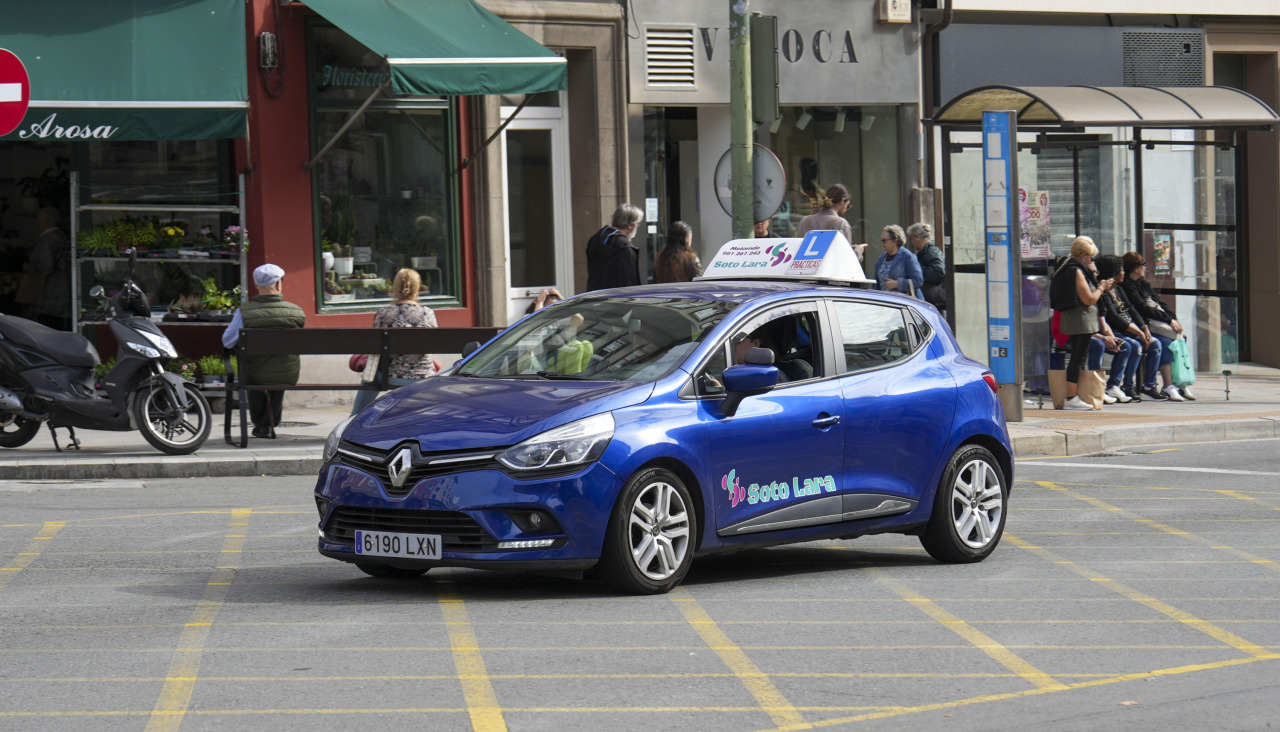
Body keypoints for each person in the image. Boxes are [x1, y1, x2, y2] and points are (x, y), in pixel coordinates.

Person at [221, 264, 306, 438]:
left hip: (254, 373)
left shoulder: (244, 312)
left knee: (257, 374)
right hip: (287, 374)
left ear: (256, 285)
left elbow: (227, 341)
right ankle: (269, 424)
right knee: (278, 371)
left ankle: (261, 425)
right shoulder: (295, 312)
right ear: (279, 284)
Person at [351, 269, 438, 415]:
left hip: (389, 375)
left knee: (369, 378)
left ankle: (354, 416)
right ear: (417, 288)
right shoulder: (427, 313)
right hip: (423, 375)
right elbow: (433, 344)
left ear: (395, 288)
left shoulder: (383, 313)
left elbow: (376, 348)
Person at [1052, 236, 1114, 411]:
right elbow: (1088, 299)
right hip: (1081, 320)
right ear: (1083, 255)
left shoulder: (1068, 267)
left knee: (1079, 357)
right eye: (1091, 257)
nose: (1092, 260)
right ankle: (1072, 397)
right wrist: (1101, 287)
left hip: (1079, 319)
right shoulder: (1076, 271)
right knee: (1078, 358)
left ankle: (1074, 396)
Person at [1120, 252, 1191, 401]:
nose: (1145, 268)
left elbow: (1159, 302)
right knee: (1164, 343)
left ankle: (1179, 381)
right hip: (1144, 324)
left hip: (1155, 323)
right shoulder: (1127, 286)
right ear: (1135, 268)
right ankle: (1166, 385)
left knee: (1179, 339)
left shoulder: (1142, 283)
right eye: (1143, 265)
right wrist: (1168, 320)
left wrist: (1173, 319)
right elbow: (1142, 308)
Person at [1096, 254, 1159, 402]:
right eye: (1121, 270)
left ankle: (1148, 385)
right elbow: (1113, 318)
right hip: (1117, 330)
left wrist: (1144, 328)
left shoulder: (1118, 289)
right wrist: (1138, 332)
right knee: (1131, 346)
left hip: (1130, 329)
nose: (1123, 273)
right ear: (1113, 272)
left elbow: (1131, 309)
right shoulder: (1103, 293)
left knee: (1155, 344)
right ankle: (1117, 385)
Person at [797, 184, 868, 262]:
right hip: (829, 273)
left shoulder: (804, 221)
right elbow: (847, 261)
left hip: (805, 273)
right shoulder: (841, 224)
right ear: (843, 201)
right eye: (848, 206)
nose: (846, 210)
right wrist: (858, 251)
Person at [29, 207, 72, 330]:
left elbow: (45, 267)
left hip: (50, 295)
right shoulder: (60, 236)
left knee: (49, 325)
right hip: (62, 292)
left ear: (43, 222)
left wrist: (30, 267)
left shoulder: (46, 240)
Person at [586, 204, 643, 291]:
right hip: (616, 300)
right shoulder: (625, 248)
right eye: (637, 225)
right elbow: (629, 282)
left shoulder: (595, 240)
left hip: (594, 297)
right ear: (630, 225)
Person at [873, 225, 923, 298]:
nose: (882, 243)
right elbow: (875, 284)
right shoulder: (881, 259)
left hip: (904, 303)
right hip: (886, 302)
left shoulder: (908, 257)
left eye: (884, 241)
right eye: (882, 241)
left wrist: (897, 284)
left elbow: (918, 281)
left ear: (895, 241)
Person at [906, 222, 946, 311]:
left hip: (934, 300)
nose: (912, 243)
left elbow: (939, 272)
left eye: (912, 239)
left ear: (917, 237)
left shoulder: (931, 251)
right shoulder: (924, 252)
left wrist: (918, 271)